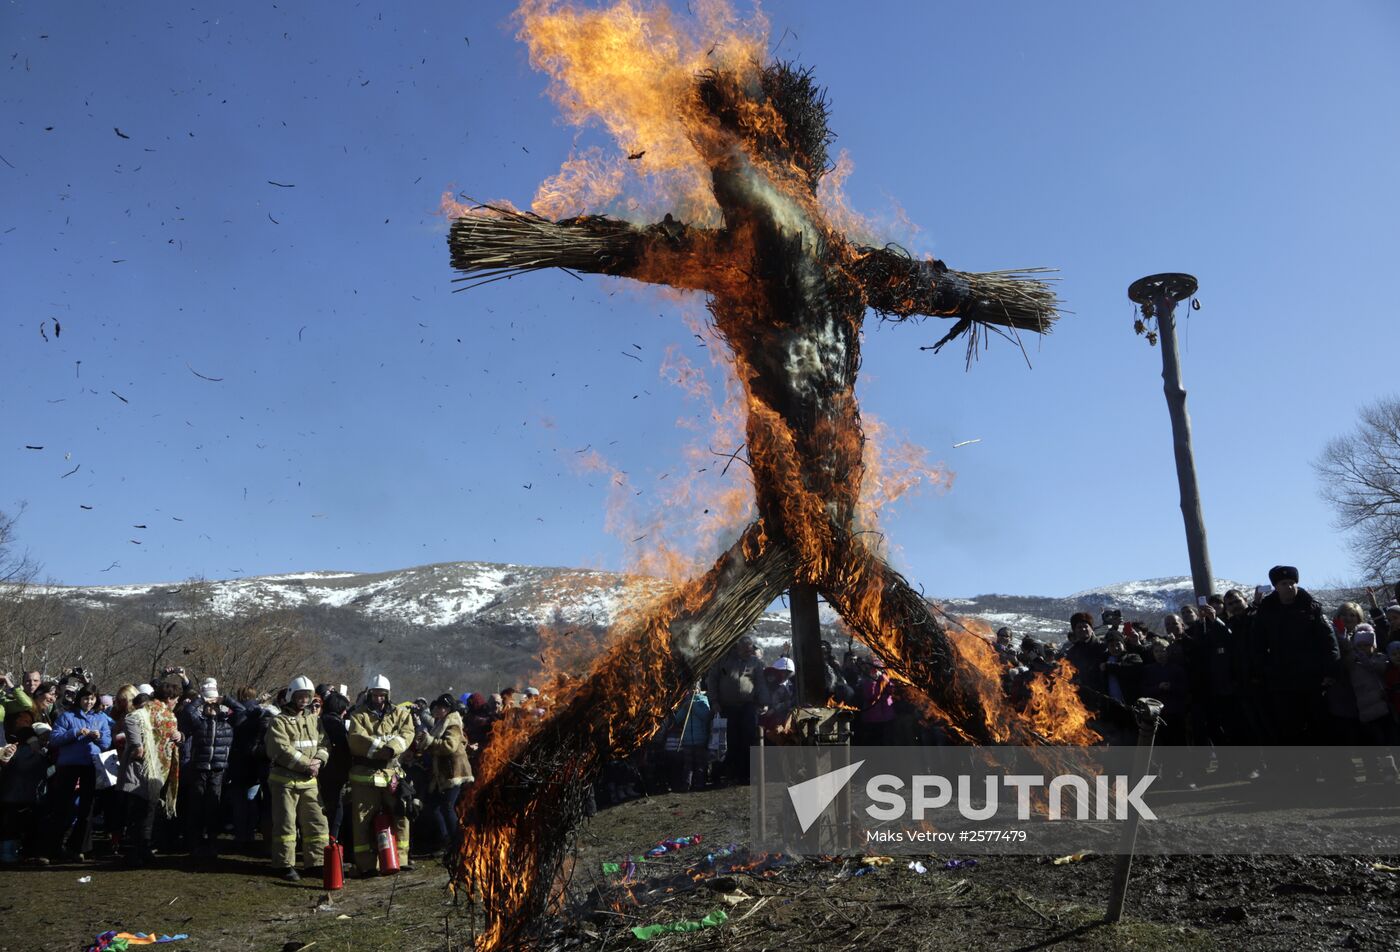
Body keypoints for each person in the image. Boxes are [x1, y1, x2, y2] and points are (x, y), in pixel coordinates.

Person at [1255, 566, 1340, 760]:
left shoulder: (1311, 606)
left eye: (1292, 583)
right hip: (1282, 681)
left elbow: (1329, 641)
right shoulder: (1266, 611)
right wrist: (1266, 671)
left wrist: (1331, 671)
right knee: (1291, 729)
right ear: (1276, 586)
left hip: (1313, 678)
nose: (1289, 587)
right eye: (1284, 584)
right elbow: (1257, 645)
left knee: (1322, 725)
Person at [346, 674, 416, 876]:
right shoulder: (359, 716)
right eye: (375, 695)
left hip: (392, 773)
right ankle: (367, 864)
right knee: (363, 821)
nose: (379, 699)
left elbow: (407, 734)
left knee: (401, 815)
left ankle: (401, 859)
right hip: (365, 777)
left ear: (388, 695)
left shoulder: (401, 714)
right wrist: (381, 748)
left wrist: (393, 749)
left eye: (382, 695)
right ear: (369, 694)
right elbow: (357, 740)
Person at [264, 675, 329, 882]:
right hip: (285, 782)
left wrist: (318, 760)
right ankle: (284, 864)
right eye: (300, 696)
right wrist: (307, 764)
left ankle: (316, 862)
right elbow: (280, 749)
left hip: (310, 782)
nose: (303, 700)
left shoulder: (314, 719)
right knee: (286, 825)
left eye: (307, 696)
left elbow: (324, 744)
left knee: (317, 823)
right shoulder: (279, 721)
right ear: (292, 696)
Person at [46, 685, 110, 861]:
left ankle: (79, 847)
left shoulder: (101, 718)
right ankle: (54, 846)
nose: (88, 702)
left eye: (92, 699)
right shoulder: (67, 716)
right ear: (79, 699)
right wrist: (75, 732)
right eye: (85, 698)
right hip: (69, 765)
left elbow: (106, 742)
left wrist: (99, 737)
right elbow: (55, 739)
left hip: (91, 765)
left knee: (87, 808)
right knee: (62, 806)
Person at [177, 678, 240, 857]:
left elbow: (243, 710)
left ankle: (212, 842)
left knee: (214, 806)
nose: (211, 708)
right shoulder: (199, 722)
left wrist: (225, 700)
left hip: (218, 769)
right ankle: (194, 843)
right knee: (195, 806)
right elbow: (188, 711)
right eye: (208, 705)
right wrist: (202, 699)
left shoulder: (227, 723)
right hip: (199, 768)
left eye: (214, 705)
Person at [118, 690, 174, 866]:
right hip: (138, 770)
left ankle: (144, 849)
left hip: (155, 770)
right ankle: (134, 851)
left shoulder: (160, 718)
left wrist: (178, 737)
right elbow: (130, 720)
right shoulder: (137, 717)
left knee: (149, 811)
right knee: (137, 811)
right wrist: (137, 743)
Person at [704, 636, 769, 785]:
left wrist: (764, 702)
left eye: (750, 649)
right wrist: (714, 701)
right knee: (731, 741)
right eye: (745, 649)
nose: (748, 651)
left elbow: (761, 683)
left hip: (748, 706)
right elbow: (712, 681)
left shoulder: (755, 663)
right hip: (727, 706)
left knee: (748, 738)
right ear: (737, 648)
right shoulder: (723, 661)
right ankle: (731, 774)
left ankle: (747, 774)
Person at [417, 694, 473, 860]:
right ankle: (447, 841)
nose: (436, 709)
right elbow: (434, 744)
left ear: (448, 709)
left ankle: (458, 844)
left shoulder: (453, 724)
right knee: (434, 806)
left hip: (453, 772)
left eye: (440, 707)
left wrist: (430, 741)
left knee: (447, 807)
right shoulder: (440, 723)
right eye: (436, 707)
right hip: (442, 773)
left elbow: (449, 746)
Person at [1, 721, 52, 864]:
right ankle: (20, 854)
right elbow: (43, 772)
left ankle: (9, 854)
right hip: (25, 795)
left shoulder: (14, 751)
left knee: (11, 827)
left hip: (12, 795)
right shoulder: (34, 753)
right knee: (21, 826)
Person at [668, 683, 712, 792]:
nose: (693, 691)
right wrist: (684, 708)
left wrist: (693, 707)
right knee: (688, 765)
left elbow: (705, 716)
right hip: (687, 739)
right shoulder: (685, 703)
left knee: (700, 764)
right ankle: (687, 784)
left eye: (695, 689)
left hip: (700, 739)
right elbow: (678, 719)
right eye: (691, 689)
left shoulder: (703, 700)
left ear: (699, 689)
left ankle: (700, 784)